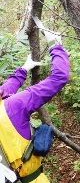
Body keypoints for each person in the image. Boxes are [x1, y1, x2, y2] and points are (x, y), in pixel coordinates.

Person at [0, 26, 70, 183]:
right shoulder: (14, 106)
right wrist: (55, 45)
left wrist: (24, 68)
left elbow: (5, 89)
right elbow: (60, 76)